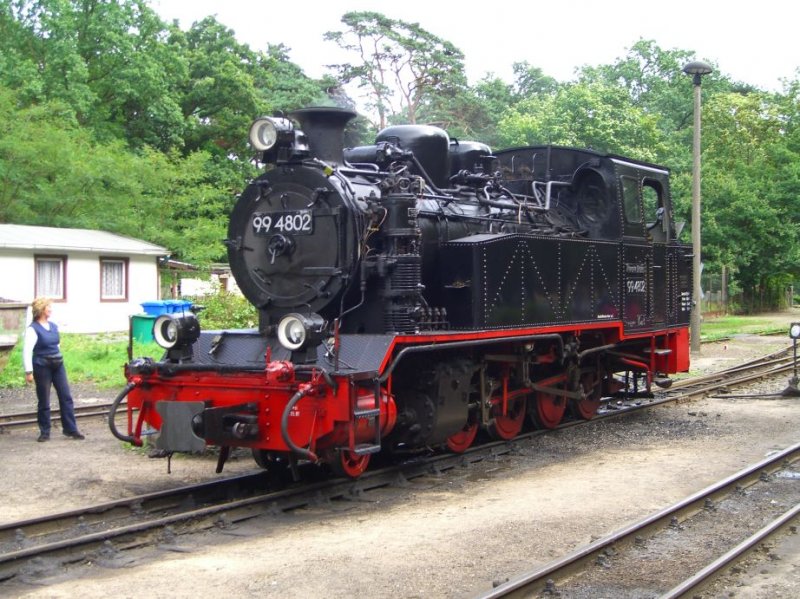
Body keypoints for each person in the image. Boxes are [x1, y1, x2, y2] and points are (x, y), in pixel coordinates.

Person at [23, 297, 84, 442]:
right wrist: (28, 371)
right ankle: (45, 431)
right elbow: (27, 350)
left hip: (57, 364)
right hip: (42, 366)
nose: (50, 310)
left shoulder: (54, 326)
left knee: (66, 396)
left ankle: (71, 429)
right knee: (44, 399)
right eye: (48, 307)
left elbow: (56, 345)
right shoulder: (33, 329)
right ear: (42, 310)